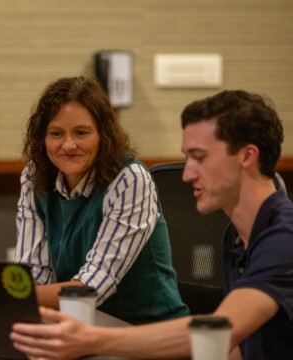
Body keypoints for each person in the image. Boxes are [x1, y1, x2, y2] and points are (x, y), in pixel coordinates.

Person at [10, 89, 293, 360]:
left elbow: (220, 329)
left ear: (247, 156)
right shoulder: (237, 236)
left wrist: (90, 339)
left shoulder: (284, 239)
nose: (187, 174)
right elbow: (238, 347)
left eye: (200, 157)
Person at [13, 76, 189, 325]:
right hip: (82, 324)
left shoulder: (129, 179)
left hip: (149, 329)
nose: (68, 144)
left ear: (103, 135)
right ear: (42, 138)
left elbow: (91, 289)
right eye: (56, 133)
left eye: (81, 133)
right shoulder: (35, 176)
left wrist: (13, 297)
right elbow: (33, 272)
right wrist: (15, 296)